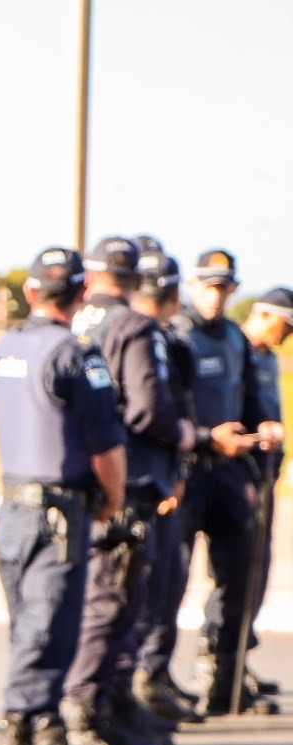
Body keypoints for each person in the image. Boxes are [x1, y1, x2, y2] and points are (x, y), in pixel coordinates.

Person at [0, 248, 127, 745]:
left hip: (16, 508)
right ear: (82, 291)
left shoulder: (8, 344)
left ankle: (48, 739)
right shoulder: (75, 354)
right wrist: (111, 499)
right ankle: (16, 740)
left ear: (30, 292)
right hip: (57, 511)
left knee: (32, 628)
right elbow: (106, 445)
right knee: (49, 630)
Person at [62, 236, 194, 745]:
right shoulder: (135, 326)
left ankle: (108, 707)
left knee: (102, 605)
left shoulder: (72, 323)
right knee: (114, 606)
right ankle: (87, 714)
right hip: (130, 481)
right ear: (137, 279)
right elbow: (146, 411)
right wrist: (188, 434)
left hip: (80, 477)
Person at [166, 251, 280, 715]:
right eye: (207, 286)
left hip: (230, 475)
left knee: (239, 580)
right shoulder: (175, 335)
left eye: (223, 287)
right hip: (187, 471)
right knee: (169, 581)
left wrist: (266, 428)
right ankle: (152, 679)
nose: (214, 295)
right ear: (193, 286)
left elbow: (253, 400)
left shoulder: (235, 337)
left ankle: (227, 675)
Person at [127, 249, 205, 726]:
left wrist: (178, 466)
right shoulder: (134, 333)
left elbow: (179, 402)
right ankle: (137, 685)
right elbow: (146, 413)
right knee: (139, 592)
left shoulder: (169, 340)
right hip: (140, 483)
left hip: (165, 476)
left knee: (167, 585)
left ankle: (152, 678)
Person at [233, 287, 292, 698]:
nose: (287, 334)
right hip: (238, 473)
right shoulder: (234, 349)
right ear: (269, 316)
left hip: (265, 472)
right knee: (237, 572)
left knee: (258, 571)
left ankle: (240, 660)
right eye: (286, 324)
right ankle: (223, 666)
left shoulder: (267, 357)